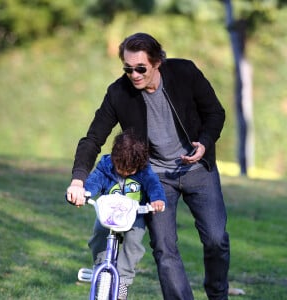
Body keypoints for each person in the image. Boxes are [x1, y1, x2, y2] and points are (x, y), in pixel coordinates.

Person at [66, 32, 230, 300]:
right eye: (128, 69)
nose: (134, 75)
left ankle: (218, 294)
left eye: (141, 68)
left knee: (216, 239)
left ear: (157, 63)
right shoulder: (118, 93)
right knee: (164, 249)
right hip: (156, 178)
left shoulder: (185, 73)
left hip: (198, 171)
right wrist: (78, 179)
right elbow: (93, 138)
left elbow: (215, 113)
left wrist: (204, 142)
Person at [68, 129, 166, 300]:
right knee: (99, 233)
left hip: (133, 216)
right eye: (119, 167)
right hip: (109, 214)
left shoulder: (144, 171)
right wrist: (85, 193)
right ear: (113, 158)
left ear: (140, 165)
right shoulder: (106, 166)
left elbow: (153, 185)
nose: (123, 172)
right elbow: (94, 181)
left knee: (133, 243)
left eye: (129, 170)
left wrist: (157, 199)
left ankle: (123, 280)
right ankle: (100, 268)